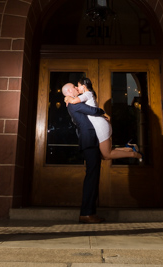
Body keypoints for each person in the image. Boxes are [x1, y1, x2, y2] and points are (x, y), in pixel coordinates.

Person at [64, 77, 141, 161]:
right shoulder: (87, 95)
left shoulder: (86, 94)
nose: (76, 88)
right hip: (100, 125)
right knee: (104, 154)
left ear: (83, 86)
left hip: (100, 126)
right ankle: (130, 148)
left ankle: (135, 155)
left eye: (77, 86)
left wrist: (67, 98)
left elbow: (74, 101)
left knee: (107, 155)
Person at [62, 82, 106, 224]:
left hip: (88, 141)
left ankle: (89, 212)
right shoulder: (74, 103)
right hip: (88, 141)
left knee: (92, 176)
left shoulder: (72, 103)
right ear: (69, 91)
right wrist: (103, 112)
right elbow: (93, 111)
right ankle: (87, 213)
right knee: (92, 177)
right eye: (74, 87)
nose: (77, 88)